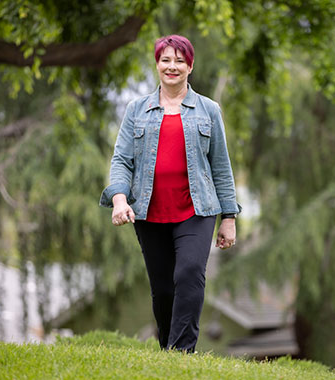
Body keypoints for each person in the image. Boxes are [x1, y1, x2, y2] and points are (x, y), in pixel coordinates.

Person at [100, 34, 240, 353]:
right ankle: (167, 352)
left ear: (190, 66)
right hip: (149, 212)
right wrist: (119, 199)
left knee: (189, 273)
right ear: (157, 65)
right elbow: (121, 159)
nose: (172, 66)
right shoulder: (137, 109)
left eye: (179, 60)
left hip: (197, 210)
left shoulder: (209, 110)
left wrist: (229, 217)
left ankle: (182, 353)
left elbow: (221, 166)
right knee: (163, 289)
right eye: (166, 60)